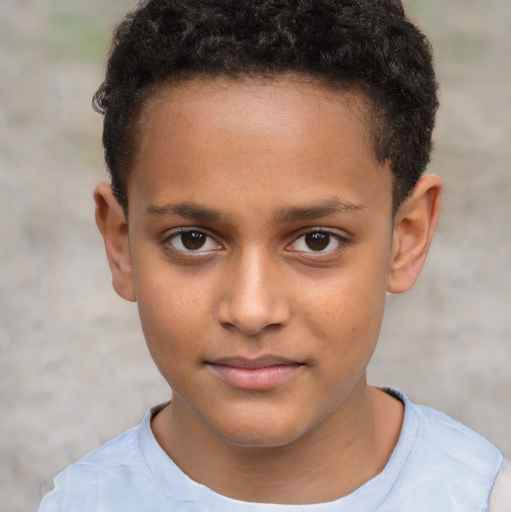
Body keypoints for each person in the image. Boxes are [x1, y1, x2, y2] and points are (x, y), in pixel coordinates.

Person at [38, 0, 510, 510]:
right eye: (192, 239)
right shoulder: (81, 502)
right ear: (120, 244)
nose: (252, 310)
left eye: (317, 240)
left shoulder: (484, 497)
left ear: (407, 238)